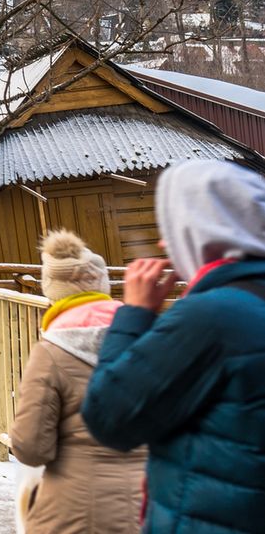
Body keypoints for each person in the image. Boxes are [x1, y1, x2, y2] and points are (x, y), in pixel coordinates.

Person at [82, 159, 265, 534]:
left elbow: (110, 416)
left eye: (171, 228)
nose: (165, 243)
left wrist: (134, 313)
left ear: (199, 233)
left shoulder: (214, 316)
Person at [7, 230, 144, 534]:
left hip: (73, 512)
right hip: (148, 507)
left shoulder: (50, 353)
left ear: (52, 291)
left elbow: (31, 448)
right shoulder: (146, 341)